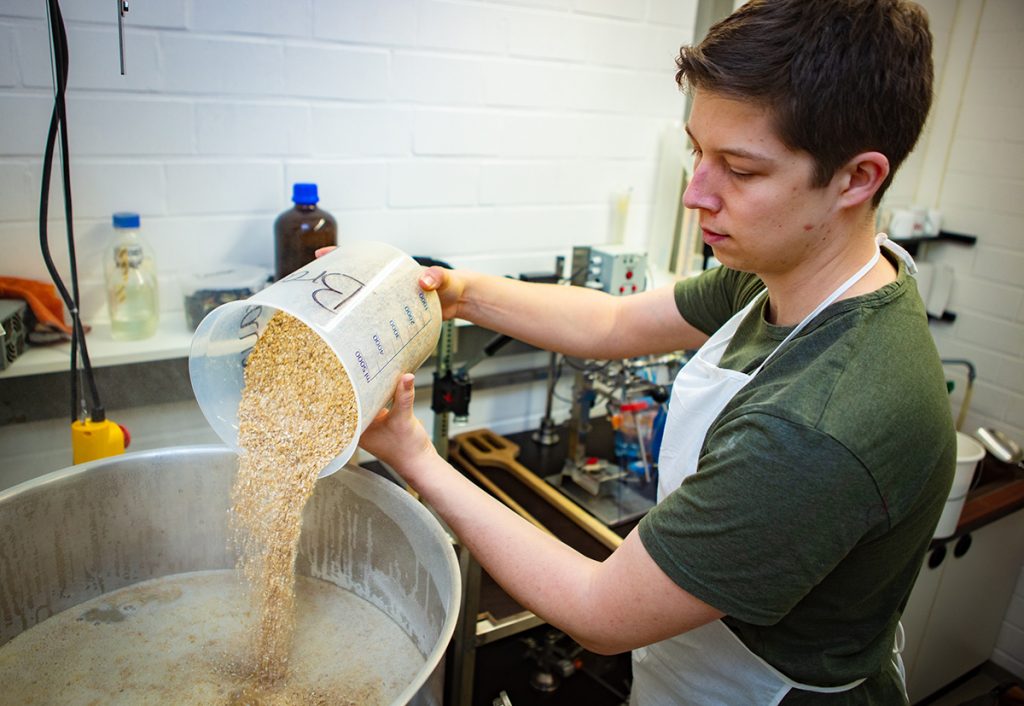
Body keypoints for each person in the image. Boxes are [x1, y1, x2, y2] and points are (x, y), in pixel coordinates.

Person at [356, 0, 956, 703]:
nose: (696, 193)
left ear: (858, 179)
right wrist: (459, 293)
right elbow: (612, 323)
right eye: (696, 151)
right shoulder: (797, 274)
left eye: (739, 168)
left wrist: (410, 451)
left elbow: (598, 611)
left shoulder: (817, 425)